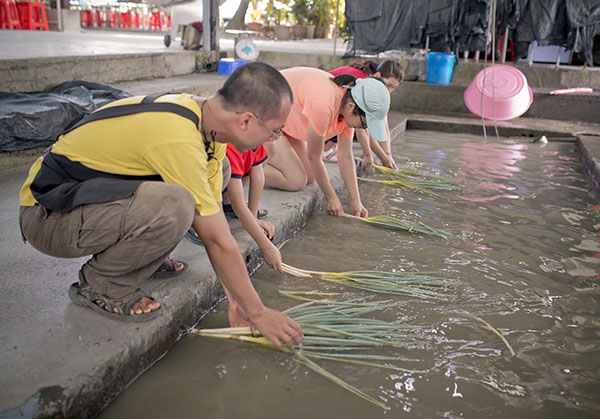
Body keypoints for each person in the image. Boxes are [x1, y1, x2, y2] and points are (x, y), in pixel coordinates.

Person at [18, 62, 302, 349]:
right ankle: (102, 284)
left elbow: (213, 222)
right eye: (275, 131)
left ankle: (138, 256)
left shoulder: (208, 126)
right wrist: (257, 312)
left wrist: (234, 297)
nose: (272, 140)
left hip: (85, 203)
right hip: (47, 216)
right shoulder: (178, 137)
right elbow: (216, 239)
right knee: (176, 205)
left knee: (217, 175)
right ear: (246, 121)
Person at [263, 66, 390, 217]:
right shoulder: (324, 104)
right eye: (365, 124)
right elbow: (314, 157)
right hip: (263, 110)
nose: (363, 128)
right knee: (295, 180)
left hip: (287, 116)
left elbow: (346, 156)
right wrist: (331, 197)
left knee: (309, 177)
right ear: (352, 107)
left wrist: (356, 201)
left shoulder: (346, 106)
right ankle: (246, 169)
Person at [186, 142, 283, 272]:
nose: (273, 137)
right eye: (274, 132)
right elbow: (238, 205)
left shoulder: (255, 140)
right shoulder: (233, 147)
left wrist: (253, 218)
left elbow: (258, 175)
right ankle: (192, 220)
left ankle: (225, 203)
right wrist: (265, 246)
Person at [325, 59, 404, 170]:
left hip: (340, 112)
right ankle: (325, 148)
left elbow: (383, 122)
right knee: (352, 124)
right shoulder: (362, 83)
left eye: (393, 87)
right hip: (327, 110)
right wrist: (373, 155)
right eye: (389, 85)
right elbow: (362, 128)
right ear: (377, 75)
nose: (389, 90)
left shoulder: (375, 88)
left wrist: (387, 154)